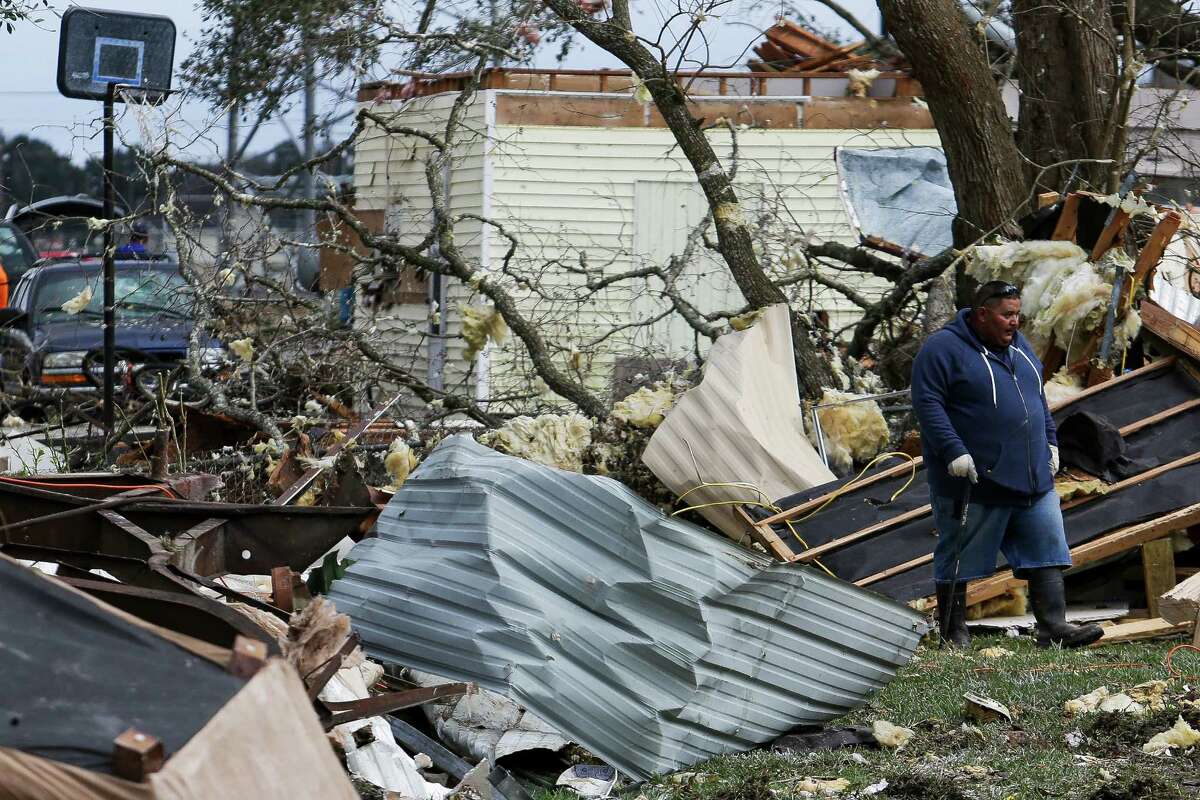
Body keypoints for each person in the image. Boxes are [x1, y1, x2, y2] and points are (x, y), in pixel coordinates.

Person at [910, 280, 1103, 649]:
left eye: (1018, 314)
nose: (1015, 322)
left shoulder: (1019, 347)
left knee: (1047, 548)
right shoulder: (942, 350)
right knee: (959, 554)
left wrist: (1049, 440)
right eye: (1007, 315)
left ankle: (1053, 629)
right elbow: (928, 404)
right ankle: (954, 633)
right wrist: (953, 450)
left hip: (1031, 477)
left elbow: (1036, 395)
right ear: (983, 313)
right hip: (974, 479)